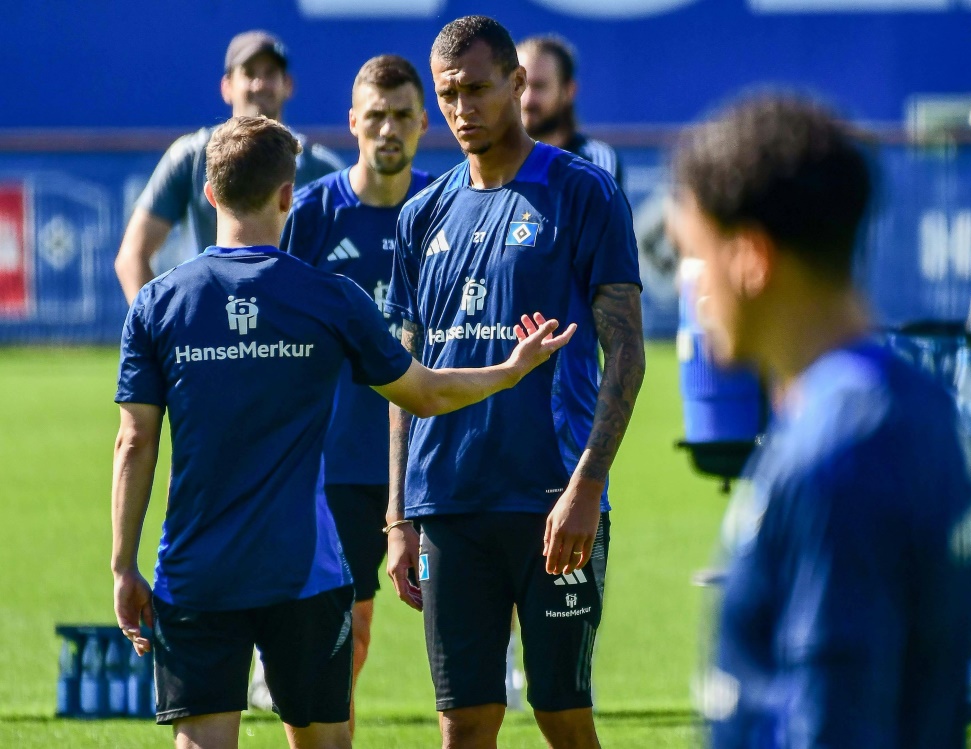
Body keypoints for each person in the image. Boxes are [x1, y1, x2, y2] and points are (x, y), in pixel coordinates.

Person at [111, 115, 575, 749]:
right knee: (324, 742)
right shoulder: (331, 298)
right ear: (286, 196)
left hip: (196, 572)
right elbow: (426, 393)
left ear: (210, 195)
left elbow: (134, 442)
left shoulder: (158, 304)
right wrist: (510, 370)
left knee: (200, 743)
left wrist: (121, 566)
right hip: (305, 573)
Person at [671, 95, 971, 748]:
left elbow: (834, 720)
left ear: (750, 258)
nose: (689, 285)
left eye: (693, 253)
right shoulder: (892, 403)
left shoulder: (844, 447)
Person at [385, 16, 645, 749]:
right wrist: (398, 515)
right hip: (449, 503)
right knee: (464, 723)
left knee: (562, 715)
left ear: (518, 85)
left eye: (476, 89)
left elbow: (626, 351)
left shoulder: (583, 194)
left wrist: (588, 485)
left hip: (550, 500)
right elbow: (408, 374)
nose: (462, 108)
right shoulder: (421, 215)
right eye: (447, 94)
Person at [279, 53, 432, 734]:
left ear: (424, 122)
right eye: (376, 116)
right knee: (348, 632)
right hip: (338, 462)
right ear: (352, 123)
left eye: (402, 115)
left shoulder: (446, 204)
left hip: (432, 461)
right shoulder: (313, 213)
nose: (389, 128)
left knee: (463, 631)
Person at [115, 29, 344, 304]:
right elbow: (132, 257)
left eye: (270, 73)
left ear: (288, 85)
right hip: (211, 332)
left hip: (294, 334)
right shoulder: (193, 156)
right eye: (248, 73)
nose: (259, 84)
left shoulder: (319, 167)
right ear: (227, 86)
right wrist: (156, 334)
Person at [516, 34, 622, 185]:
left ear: (568, 91)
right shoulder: (486, 160)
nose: (528, 100)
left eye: (539, 86)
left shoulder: (594, 161)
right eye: (519, 85)